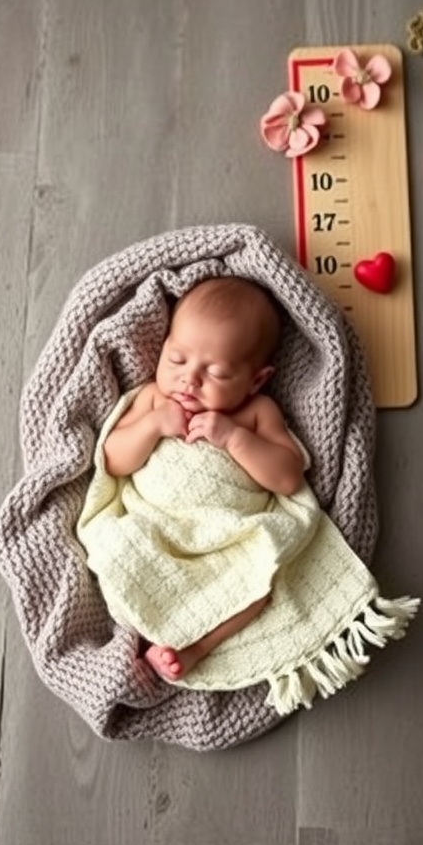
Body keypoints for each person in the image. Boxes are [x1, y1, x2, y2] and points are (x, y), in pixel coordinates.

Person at [102, 276, 307, 682]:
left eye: (216, 373)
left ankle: (195, 648)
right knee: (115, 549)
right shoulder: (153, 399)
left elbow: (288, 479)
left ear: (256, 380)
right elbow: (113, 460)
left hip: (226, 538)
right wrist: (153, 426)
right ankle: (144, 627)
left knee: (258, 584)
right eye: (177, 360)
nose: (189, 380)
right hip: (156, 528)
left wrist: (235, 438)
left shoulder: (256, 413)